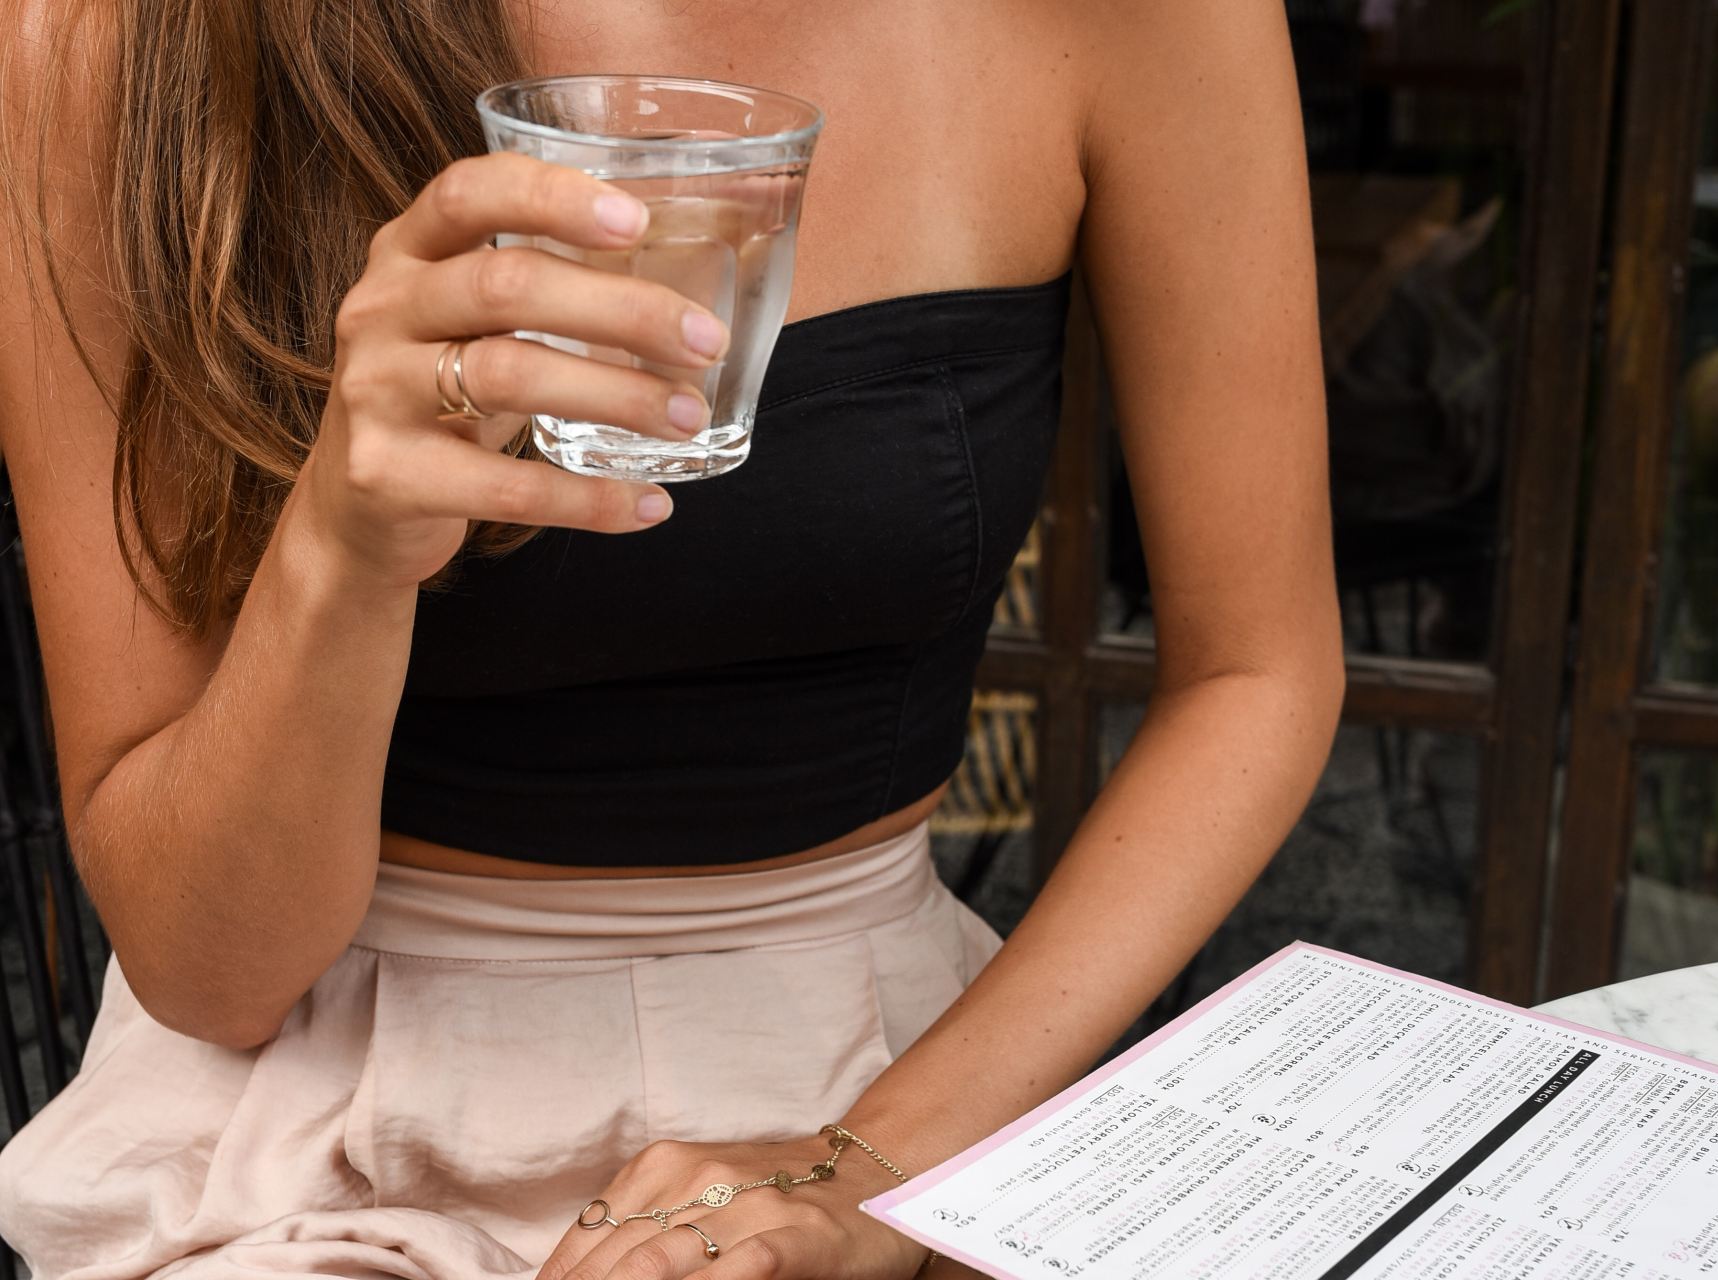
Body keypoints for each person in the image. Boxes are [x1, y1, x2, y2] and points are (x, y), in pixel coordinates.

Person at [0, 0, 1343, 1276]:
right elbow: (204, 970)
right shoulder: (119, 37)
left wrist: (879, 1160)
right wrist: (342, 556)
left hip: (902, 1070)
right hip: (311, 1126)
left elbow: (1255, 673)